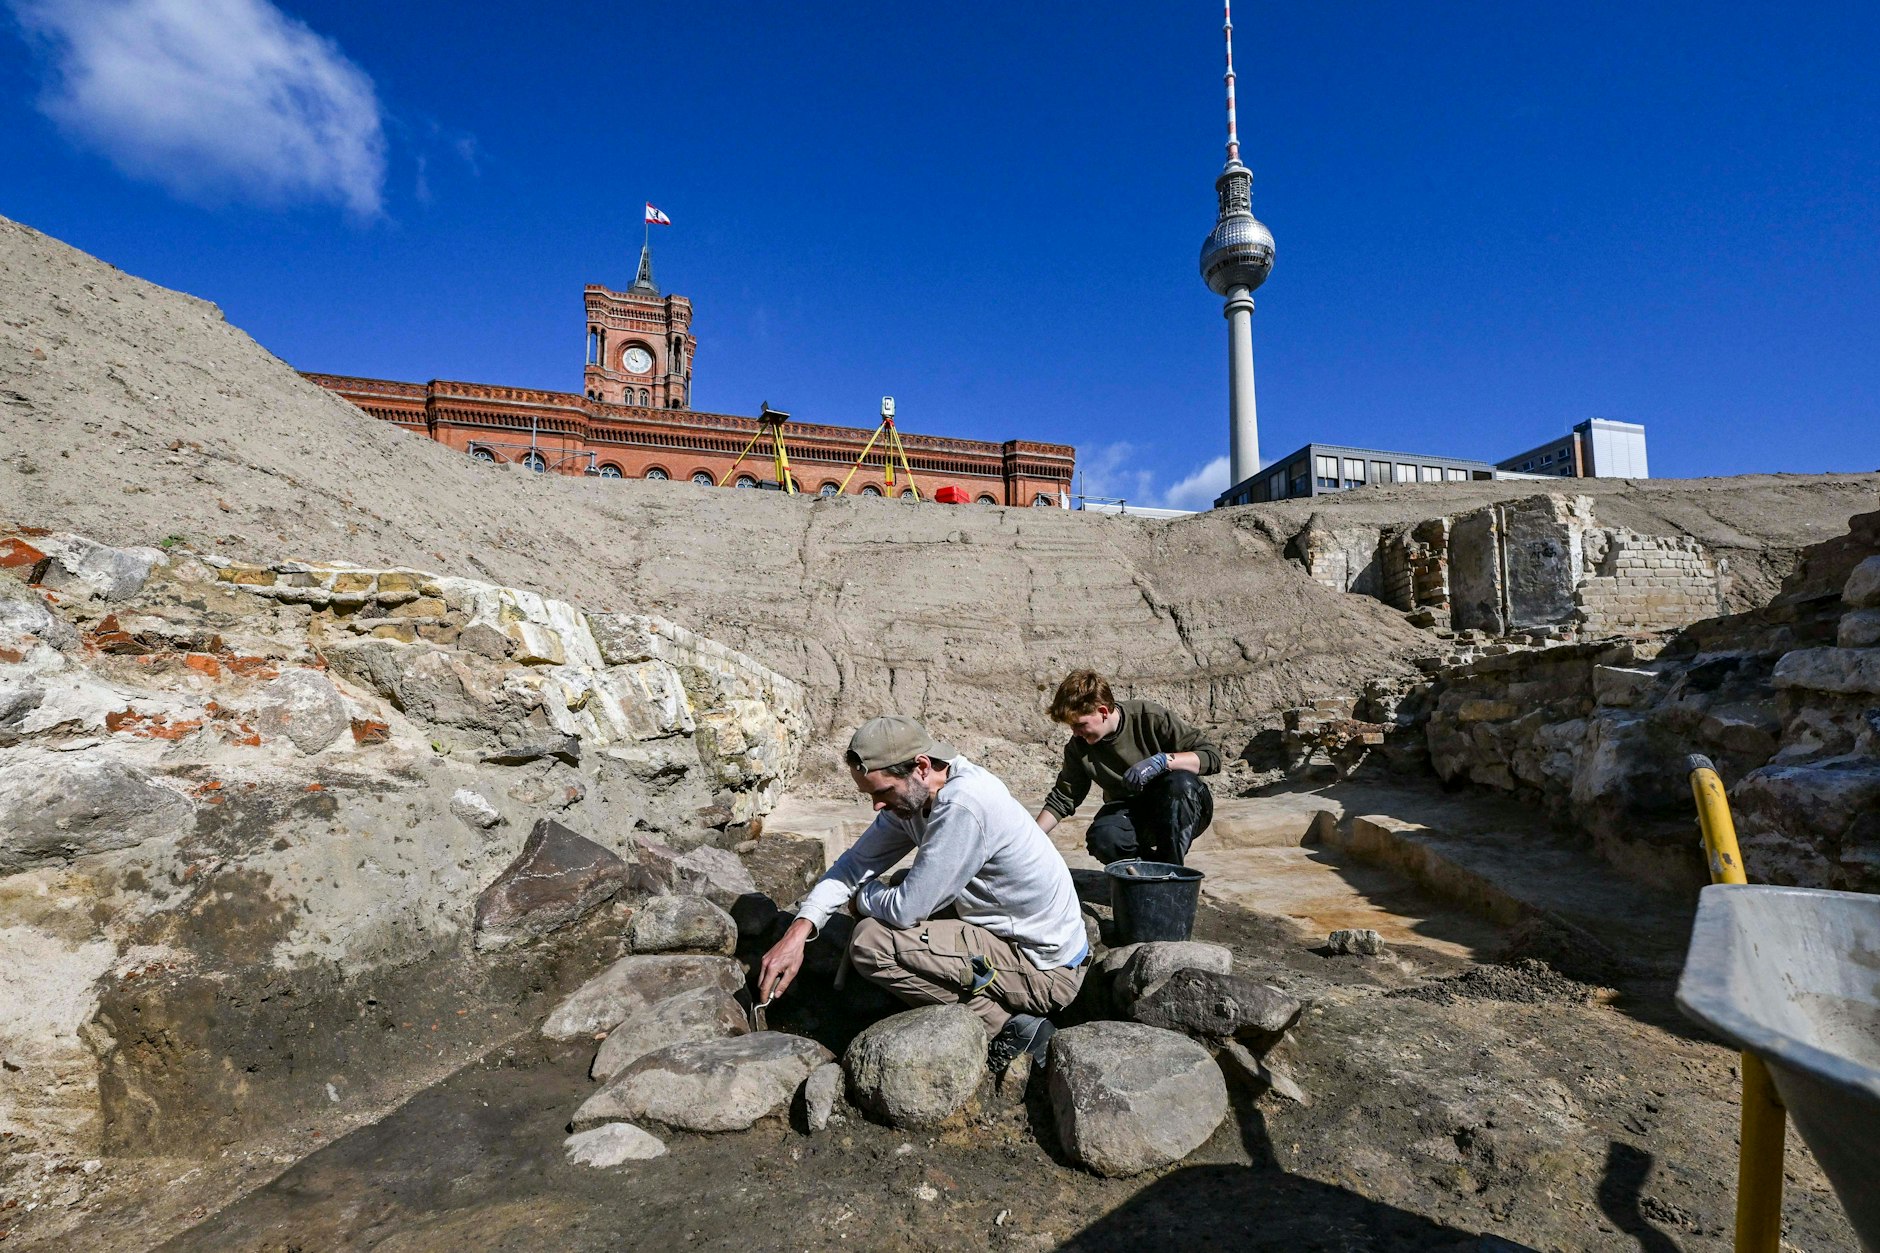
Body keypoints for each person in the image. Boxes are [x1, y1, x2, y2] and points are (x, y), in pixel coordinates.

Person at [757, 715, 1088, 1070]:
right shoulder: (916, 797)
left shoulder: (964, 803)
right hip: (1013, 937)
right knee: (900, 888)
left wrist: (862, 899)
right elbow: (854, 864)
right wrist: (797, 932)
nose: (877, 806)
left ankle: (1010, 1027)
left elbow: (905, 910)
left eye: (882, 792)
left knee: (870, 942)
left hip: (1045, 970)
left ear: (922, 766)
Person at [1033, 670, 1220, 865]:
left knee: (1181, 783)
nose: (1075, 732)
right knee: (1104, 838)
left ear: (1103, 712)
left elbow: (1212, 756)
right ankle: (1151, 870)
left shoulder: (1150, 717)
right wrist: (1031, 838)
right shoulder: (1078, 747)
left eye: (1080, 724)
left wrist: (1163, 762)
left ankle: (1171, 871)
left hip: (1183, 807)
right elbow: (1063, 798)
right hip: (1134, 814)